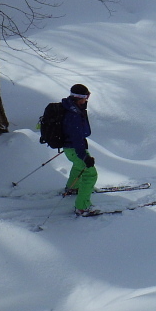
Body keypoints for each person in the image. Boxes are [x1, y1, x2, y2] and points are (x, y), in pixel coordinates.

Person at [61, 84, 98, 216]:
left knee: (78, 166)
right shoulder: (74, 114)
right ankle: (82, 207)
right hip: (74, 148)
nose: (87, 100)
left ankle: (72, 188)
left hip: (70, 148)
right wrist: (84, 156)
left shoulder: (71, 108)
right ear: (79, 97)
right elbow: (76, 137)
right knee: (90, 174)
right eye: (86, 97)